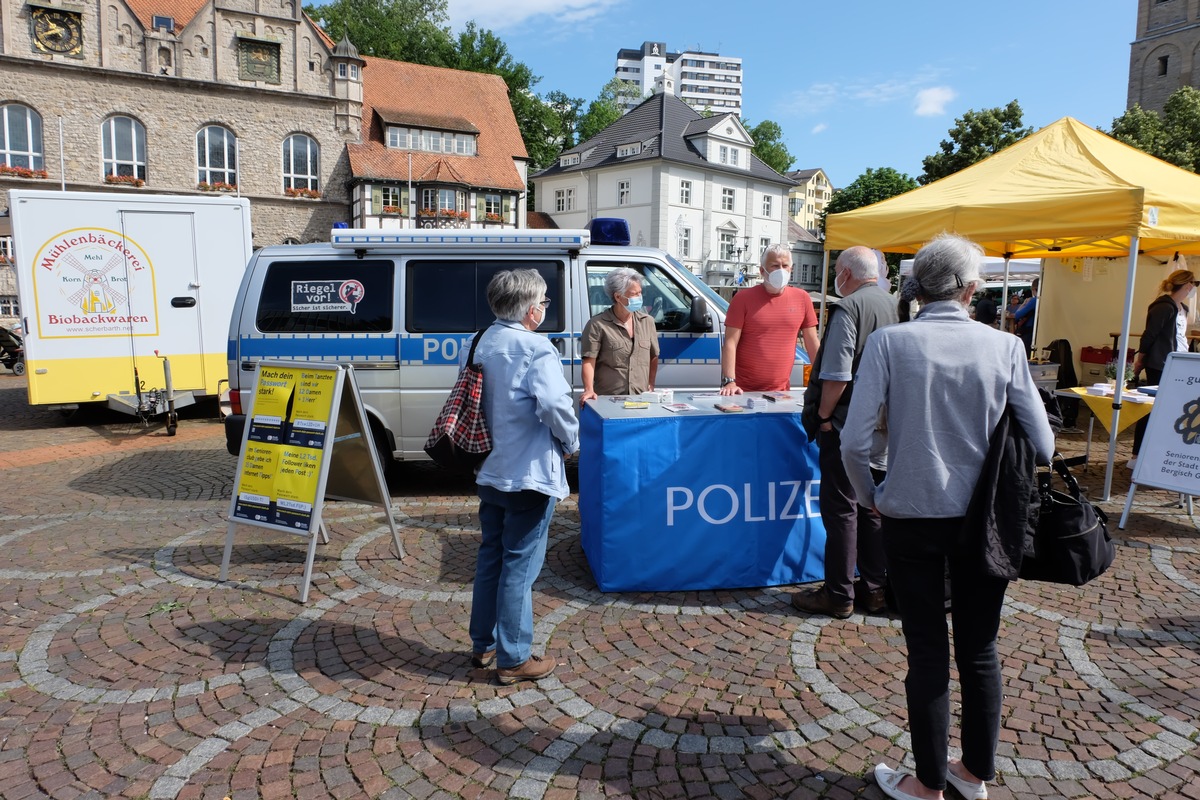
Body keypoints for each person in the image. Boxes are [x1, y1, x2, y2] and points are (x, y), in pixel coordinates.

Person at [840, 234, 1054, 800]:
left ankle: (928, 782)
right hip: (986, 519)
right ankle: (974, 774)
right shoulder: (1005, 346)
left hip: (911, 514)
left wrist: (871, 497)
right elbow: (1046, 445)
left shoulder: (890, 342)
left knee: (928, 650)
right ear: (971, 289)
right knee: (980, 650)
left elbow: (854, 443)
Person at [469, 269, 580, 686]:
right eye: (545, 301)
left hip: (490, 467)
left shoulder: (481, 340)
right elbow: (555, 405)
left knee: (491, 557)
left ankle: (483, 644)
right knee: (519, 565)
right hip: (528, 472)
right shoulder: (536, 347)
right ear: (531, 308)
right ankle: (514, 658)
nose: (545, 308)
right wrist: (571, 442)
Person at [793, 246, 897, 619]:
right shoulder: (892, 305)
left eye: (837, 271)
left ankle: (839, 594)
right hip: (882, 423)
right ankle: (873, 589)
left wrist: (822, 417)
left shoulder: (849, 308)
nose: (837, 278)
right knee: (871, 507)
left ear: (847, 274)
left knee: (841, 510)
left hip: (847, 423)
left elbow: (837, 373)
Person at [719, 244, 819, 395]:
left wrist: (821, 379)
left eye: (785, 266)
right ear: (761, 271)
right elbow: (730, 342)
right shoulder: (742, 299)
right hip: (743, 391)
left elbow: (812, 341)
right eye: (774, 266)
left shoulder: (802, 298)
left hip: (781, 392)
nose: (781, 270)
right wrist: (729, 381)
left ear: (791, 269)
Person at [1129, 268, 1197, 467]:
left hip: (1178, 363)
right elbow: (1149, 335)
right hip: (1160, 363)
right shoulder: (1163, 307)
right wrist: (1140, 359)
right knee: (1151, 408)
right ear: (1187, 285)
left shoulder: (1182, 308)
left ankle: (1157, 451)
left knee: (1169, 409)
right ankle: (1136, 455)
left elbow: (1180, 337)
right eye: (1194, 284)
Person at [579, 268, 659, 404]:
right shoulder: (597, 324)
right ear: (617, 296)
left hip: (640, 398)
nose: (639, 298)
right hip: (609, 399)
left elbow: (653, 356)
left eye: (640, 293)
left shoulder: (648, 322)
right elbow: (589, 361)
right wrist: (589, 389)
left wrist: (651, 384)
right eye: (634, 294)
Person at [1012, 278, 1039, 355]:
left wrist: (1023, 304)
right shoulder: (1045, 299)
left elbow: (1017, 315)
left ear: (1033, 289)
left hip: (1029, 332)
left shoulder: (1034, 300)